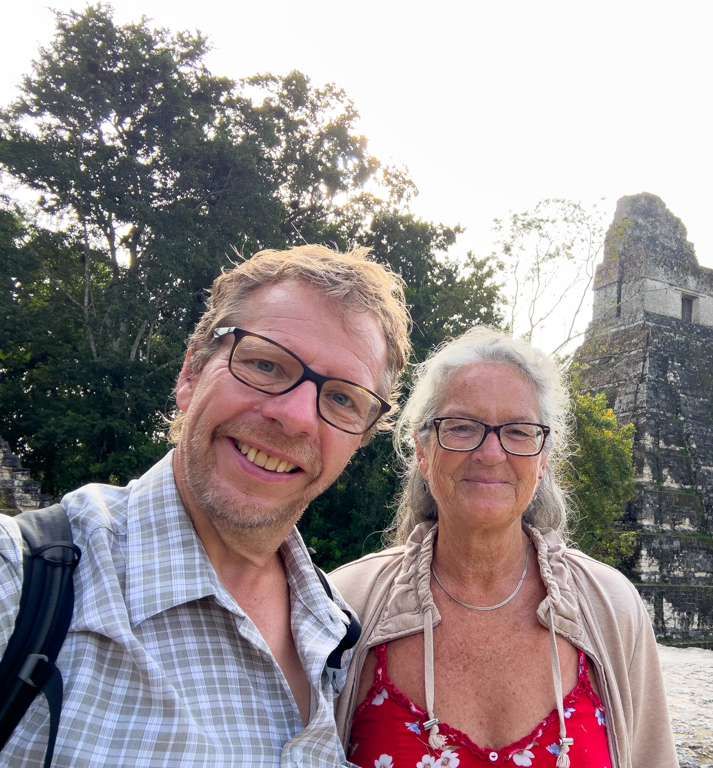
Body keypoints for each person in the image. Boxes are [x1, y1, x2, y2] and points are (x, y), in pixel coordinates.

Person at [0, 245, 410, 767]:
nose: (296, 417)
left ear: (358, 441)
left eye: (341, 398)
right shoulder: (25, 582)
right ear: (191, 372)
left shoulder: (341, 634)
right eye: (265, 363)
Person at [329, 327, 677, 768]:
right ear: (421, 450)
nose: (491, 453)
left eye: (518, 431)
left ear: (543, 455)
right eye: (461, 426)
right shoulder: (347, 608)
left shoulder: (611, 608)